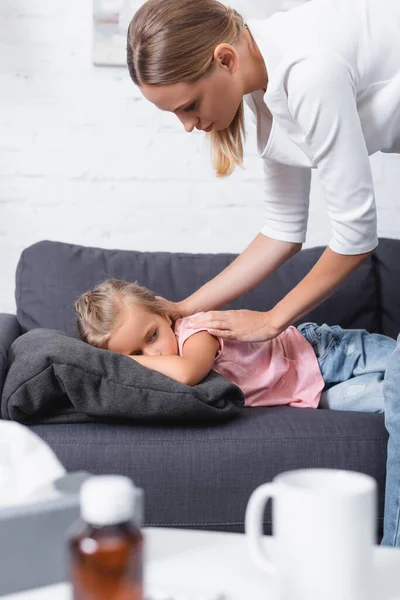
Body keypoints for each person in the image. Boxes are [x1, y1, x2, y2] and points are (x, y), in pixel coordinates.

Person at [75, 279, 399, 545]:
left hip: (325, 350)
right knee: (387, 397)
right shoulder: (164, 363)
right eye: (137, 352)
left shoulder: (194, 329)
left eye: (153, 335)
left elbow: (189, 372)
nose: (155, 352)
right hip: (314, 390)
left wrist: (127, 360)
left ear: (165, 314)